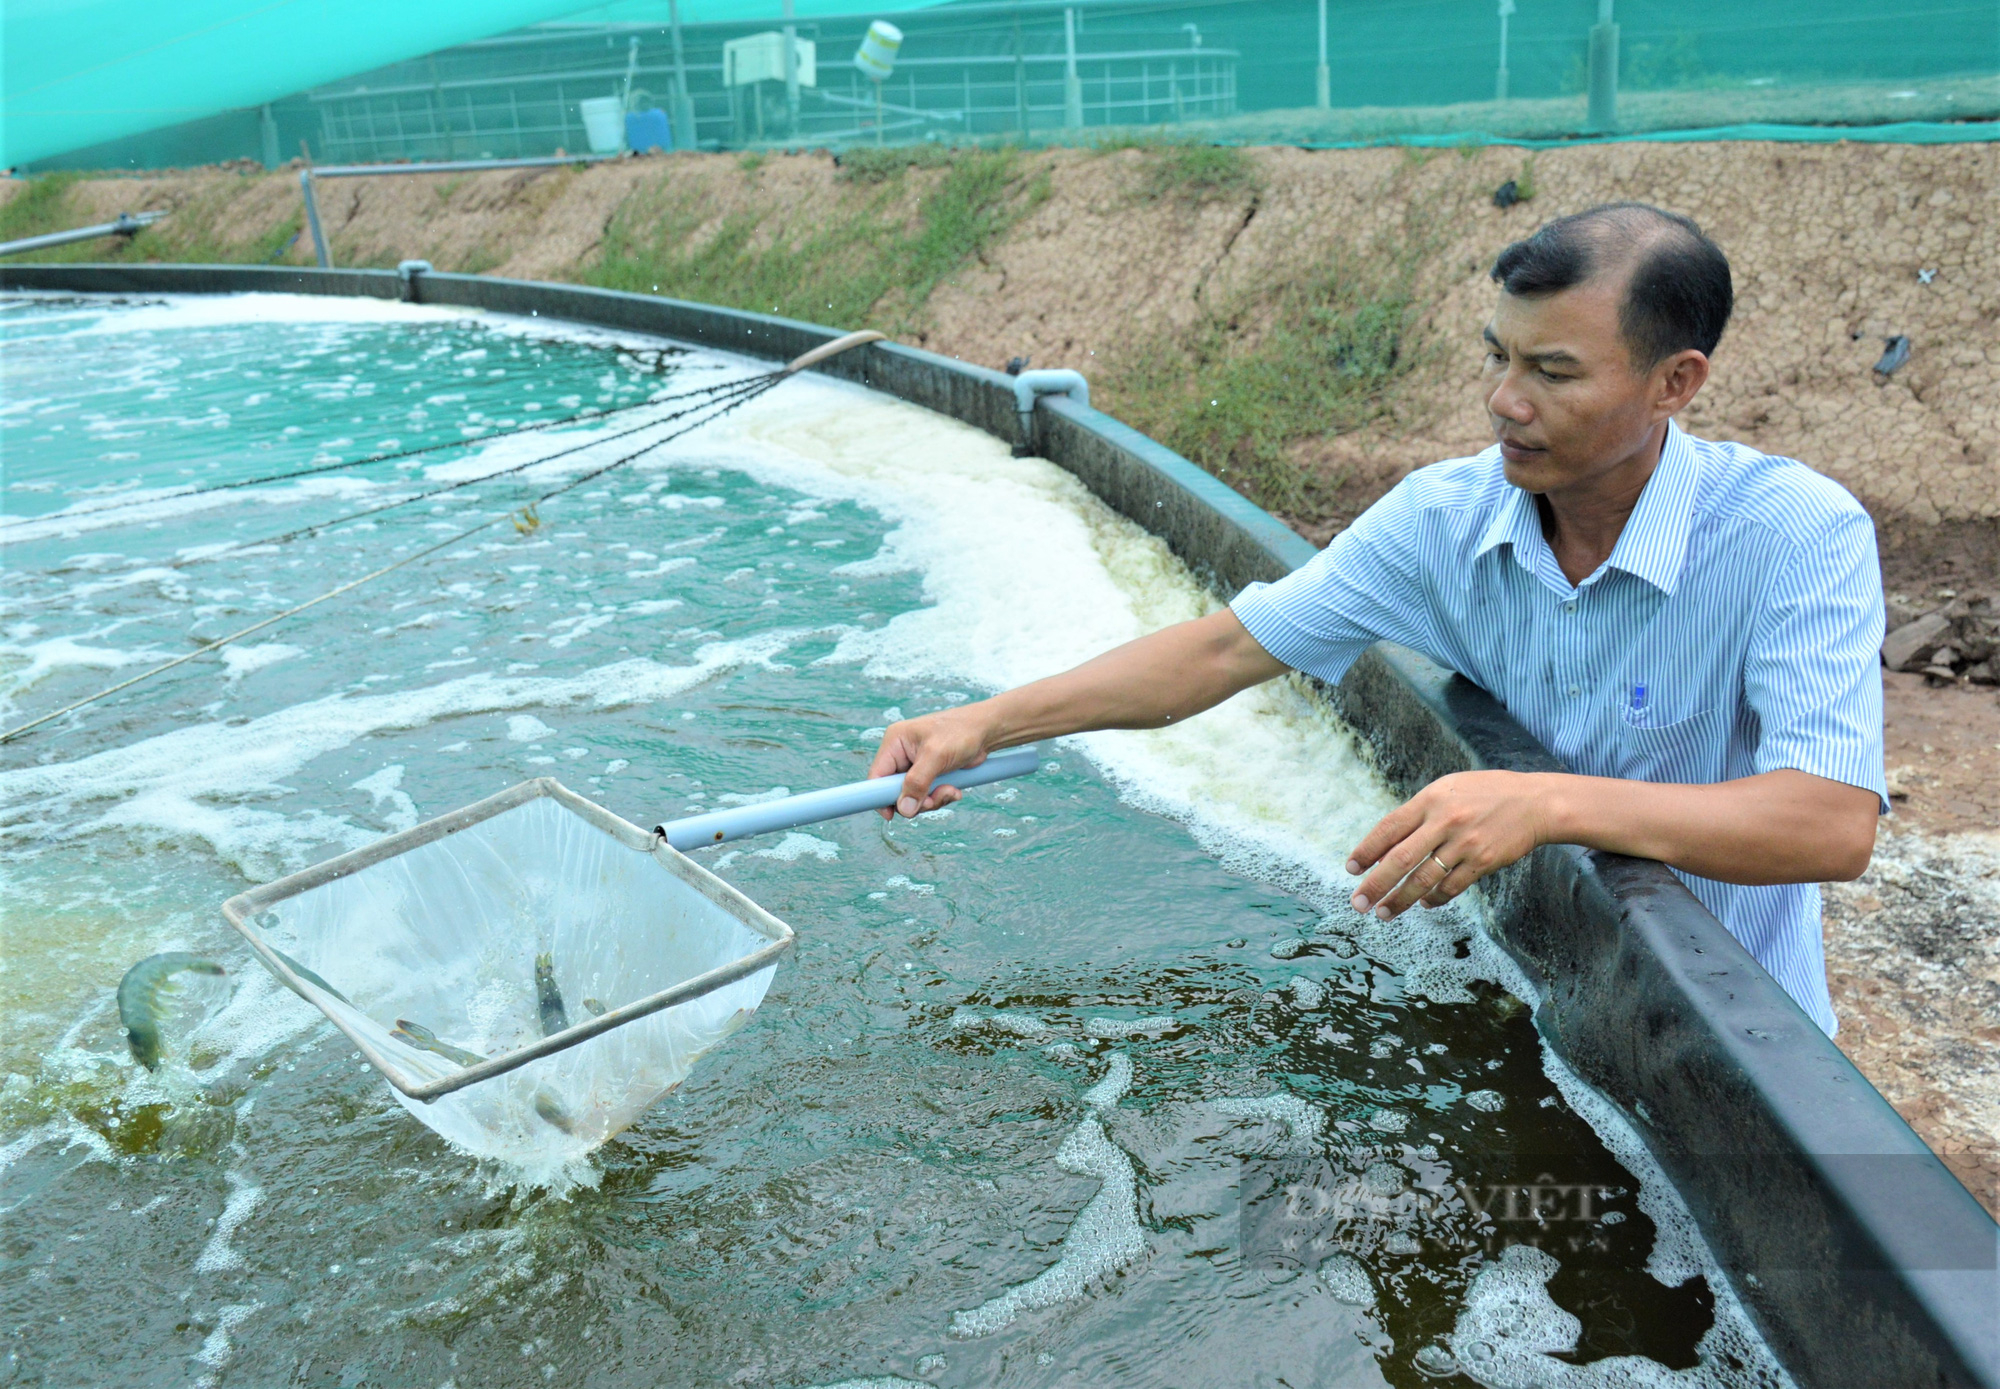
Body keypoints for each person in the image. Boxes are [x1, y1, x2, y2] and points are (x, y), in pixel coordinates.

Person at [869, 202, 1885, 1036]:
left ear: (1675, 383)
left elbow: (1828, 822)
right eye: (1498, 358)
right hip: (1534, 1000)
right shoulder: (1442, 519)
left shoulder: (1792, 536)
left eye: (1553, 373)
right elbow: (1223, 649)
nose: (1503, 402)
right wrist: (983, 723)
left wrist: (1542, 805)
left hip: (1738, 1042)